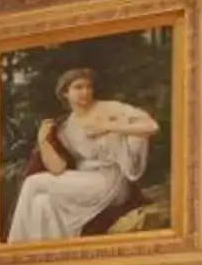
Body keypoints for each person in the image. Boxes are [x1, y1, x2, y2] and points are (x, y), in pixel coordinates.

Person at [8, 68, 158, 243]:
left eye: (88, 87)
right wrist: (43, 142)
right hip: (84, 181)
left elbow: (151, 126)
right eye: (78, 88)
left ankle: (13, 247)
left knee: (33, 182)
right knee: (42, 203)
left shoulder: (108, 108)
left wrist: (109, 127)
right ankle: (50, 255)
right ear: (65, 93)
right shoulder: (65, 127)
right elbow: (58, 169)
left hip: (110, 180)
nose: (85, 92)